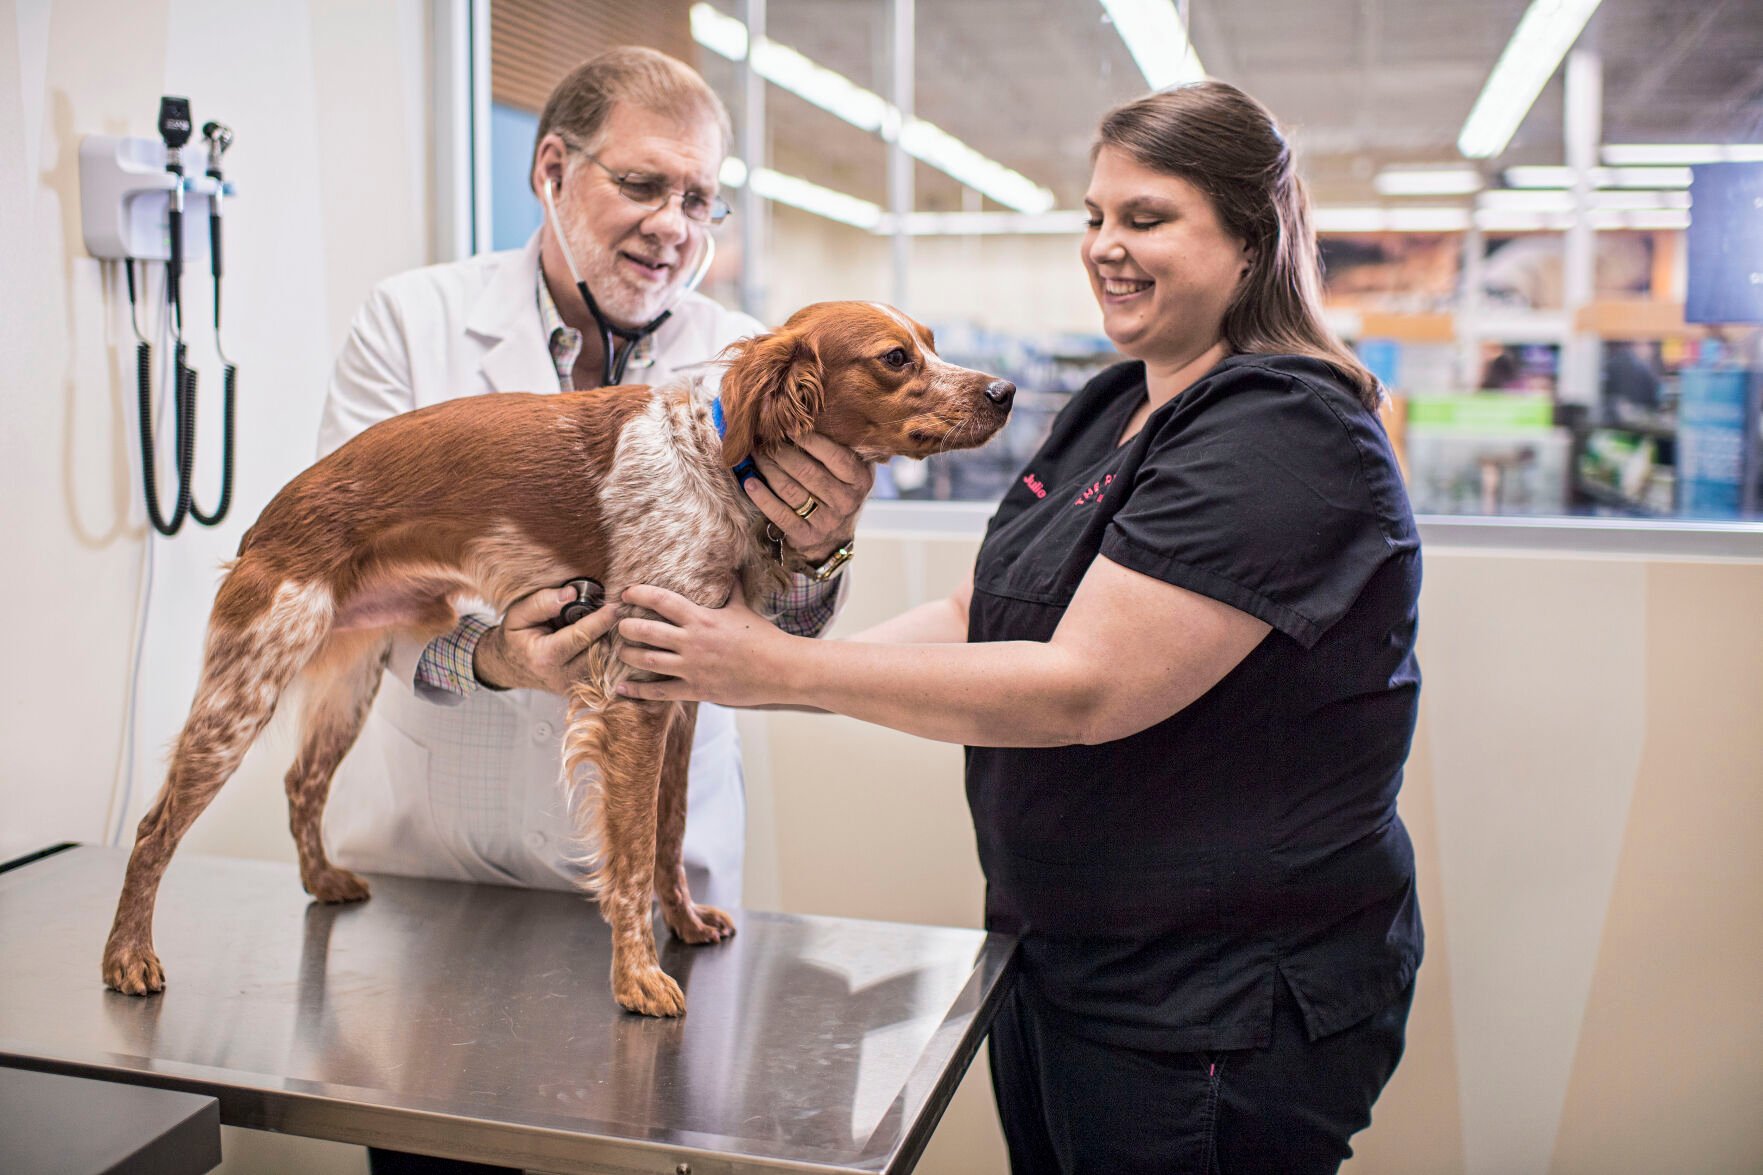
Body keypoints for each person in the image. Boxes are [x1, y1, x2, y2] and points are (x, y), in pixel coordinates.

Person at [611, 81, 1423, 1174]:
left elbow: (1084, 685)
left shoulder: (1283, 430)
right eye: (1094, 217)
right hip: (1064, 957)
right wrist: (728, 665)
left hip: (1213, 1000)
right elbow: (973, 611)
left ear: (1250, 236)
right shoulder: (1112, 402)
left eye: (1146, 219)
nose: (1105, 248)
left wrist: (771, 666)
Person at [316, 46, 871, 1175]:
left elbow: (792, 625)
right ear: (552, 167)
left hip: (668, 895)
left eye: (702, 198)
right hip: (448, 880)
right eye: (643, 185)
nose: (675, 224)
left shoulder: (755, 358)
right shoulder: (413, 326)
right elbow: (351, 598)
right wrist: (488, 657)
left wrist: (818, 551)